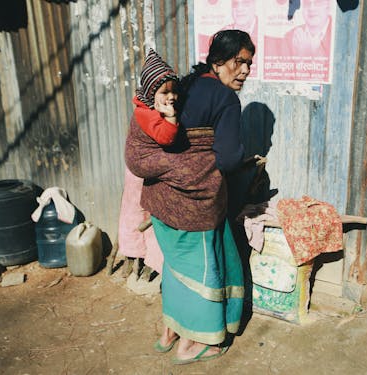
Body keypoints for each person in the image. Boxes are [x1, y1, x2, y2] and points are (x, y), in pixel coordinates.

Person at [125, 29, 256, 365]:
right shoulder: (225, 99)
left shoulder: (179, 86)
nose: (244, 70)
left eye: (249, 63)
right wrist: (240, 153)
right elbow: (226, 158)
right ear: (218, 61)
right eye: (239, 62)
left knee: (175, 266)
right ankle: (196, 341)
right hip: (192, 205)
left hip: (159, 201)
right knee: (203, 271)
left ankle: (171, 330)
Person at [117, 49, 180, 276]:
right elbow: (167, 137)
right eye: (164, 92)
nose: (170, 97)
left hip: (142, 171)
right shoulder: (147, 114)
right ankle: (140, 254)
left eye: (173, 91)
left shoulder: (149, 109)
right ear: (151, 93)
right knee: (142, 212)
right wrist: (172, 117)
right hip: (139, 174)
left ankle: (150, 258)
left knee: (146, 212)